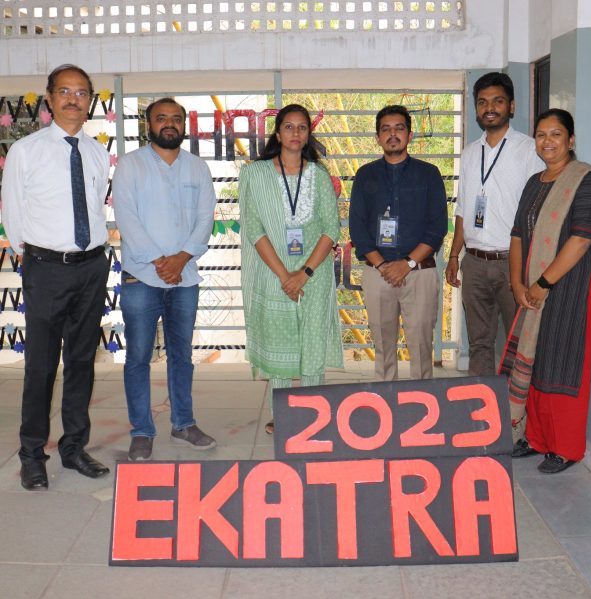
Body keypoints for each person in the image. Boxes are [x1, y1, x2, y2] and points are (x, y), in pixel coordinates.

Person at [1, 64, 110, 489]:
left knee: (82, 362)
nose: (72, 99)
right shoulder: (25, 151)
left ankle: (74, 447)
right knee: (41, 367)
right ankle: (32, 455)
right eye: (64, 91)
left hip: (92, 268)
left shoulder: (96, 152)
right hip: (46, 269)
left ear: (90, 101)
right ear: (49, 98)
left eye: (81, 93)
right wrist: (33, 258)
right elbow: (13, 211)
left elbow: (95, 204)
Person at [112, 98, 217, 461]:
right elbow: (126, 218)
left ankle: (183, 423)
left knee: (182, 356)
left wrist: (181, 259)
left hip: (185, 278)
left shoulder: (197, 168)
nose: (169, 124)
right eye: (161, 118)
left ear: (184, 125)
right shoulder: (130, 165)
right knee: (138, 357)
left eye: (176, 118)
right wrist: (160, 262)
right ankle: (142, 431)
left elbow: (205, 219)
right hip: (142, 276)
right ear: (149, 124)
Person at [499, 108, 591, 473]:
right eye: (541, 135)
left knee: (562, 363)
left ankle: (565, 447)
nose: (547, 141)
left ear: (570, 140)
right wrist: (517, 283)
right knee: (536, 361)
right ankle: (536, 437)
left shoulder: (586, 180)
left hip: (571, 286)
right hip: (531, 285)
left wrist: (543, 284)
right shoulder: (534, 182)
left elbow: (581, 239)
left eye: (556, 134)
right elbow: (516, 235)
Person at [239, 103, 343, 434]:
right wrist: (285, 276)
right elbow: (254, 229)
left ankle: (313, 415)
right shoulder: (255, 174)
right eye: (289, 126)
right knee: (279, 344)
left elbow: (331, 229)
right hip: (274, 274)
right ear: (278, 132)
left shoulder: (320, 176)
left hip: (314, 274)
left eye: (302, 127)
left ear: (308, 134)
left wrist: (304, 274)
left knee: (312, 344)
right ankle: (282, 415)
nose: (295, 133)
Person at [446, 72, 545, 376]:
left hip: (513, 264)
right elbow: (463, 208)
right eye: (482, 102)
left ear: (511, 106)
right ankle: (480, 402)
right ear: (476, 109)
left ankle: (516, 403)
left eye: (497, 101)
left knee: (521, 343)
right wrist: (454, 255)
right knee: (479, 344)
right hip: (474, 263)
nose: (489, 108)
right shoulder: (469, 153)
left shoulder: (529, 150)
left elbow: (538, 211)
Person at [349, 105, 447, 381]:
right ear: (378, 137)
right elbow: (358, 229)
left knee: (421, 347)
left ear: (410, 135)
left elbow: (437, 228)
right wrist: (384, 266)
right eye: (386, 129)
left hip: (420, 273)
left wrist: (407, 264)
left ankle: (422, 401)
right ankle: (386, 401)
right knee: (383, 348)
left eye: (399, 128)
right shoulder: (365, 175)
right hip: (377, 274)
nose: (393, 134)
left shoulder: (429, 174)